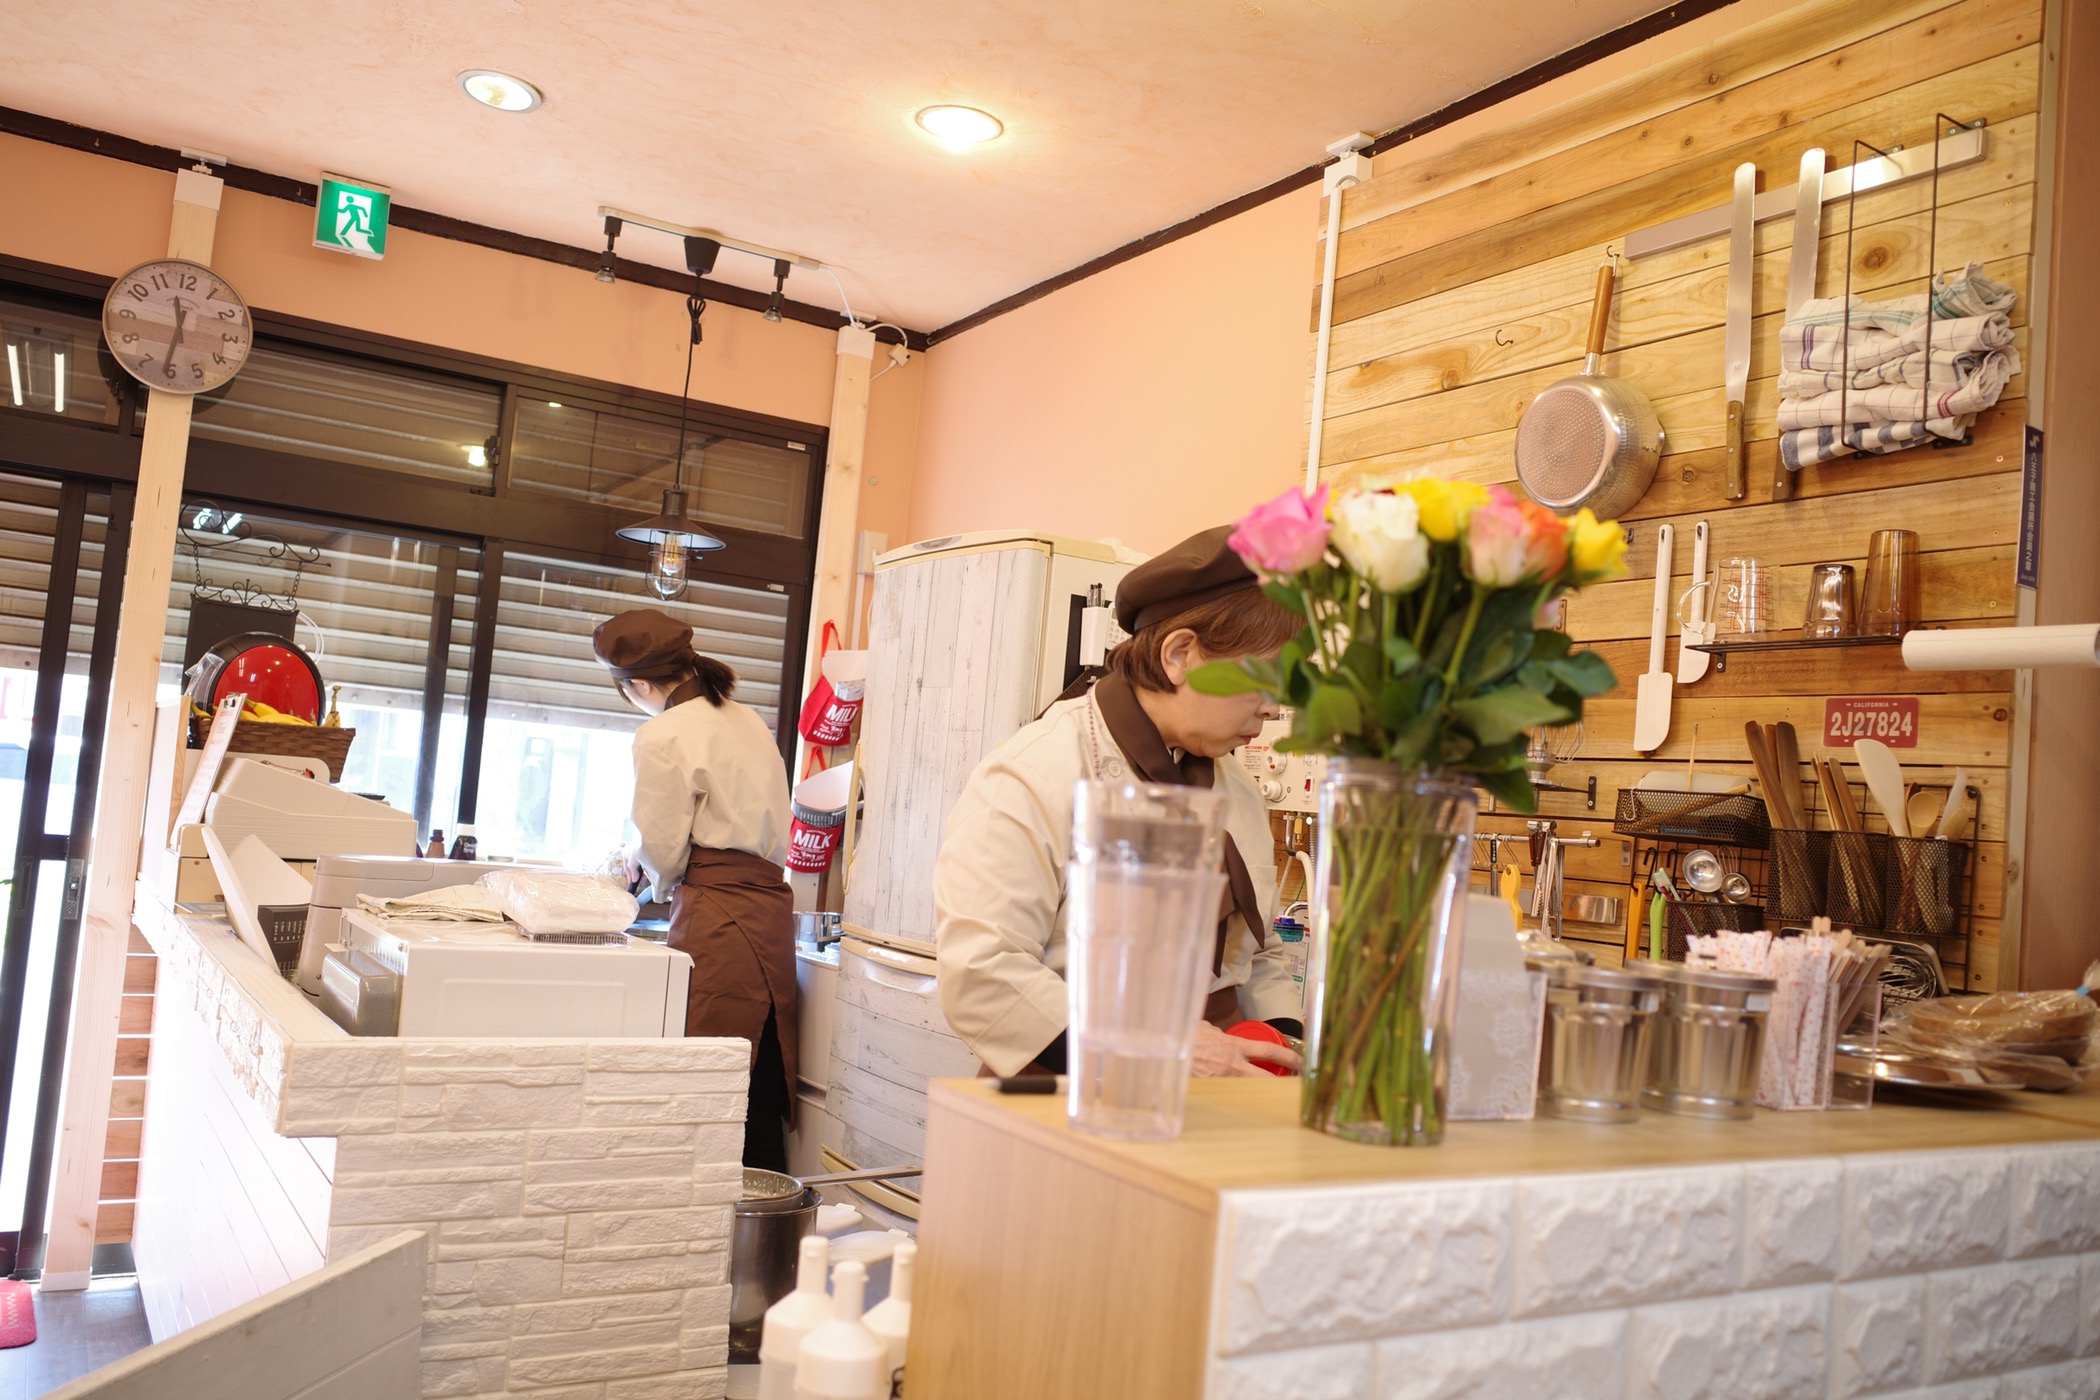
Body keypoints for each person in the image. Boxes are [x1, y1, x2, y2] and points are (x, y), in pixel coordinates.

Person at [933, 526, 1305, 1079]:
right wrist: (1161, 1049)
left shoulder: (1235, 785)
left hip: (1219, 1073)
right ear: (1180, 654)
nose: (1274, 707)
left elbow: (1262, 949)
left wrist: (1284, 1042)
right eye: (1266, 676)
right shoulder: (1036, 771)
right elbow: (982, 974)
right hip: (1073, 1079)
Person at [593, 608, 798, 1171]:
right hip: (771, 911)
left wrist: (645, 869)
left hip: (719, 914)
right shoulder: (746, 719)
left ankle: (709, 1202)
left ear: (638, 685)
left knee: (714, 1075)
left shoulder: (662, 734)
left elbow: (663, 849)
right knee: (762, 1070)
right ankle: (763, 1196)